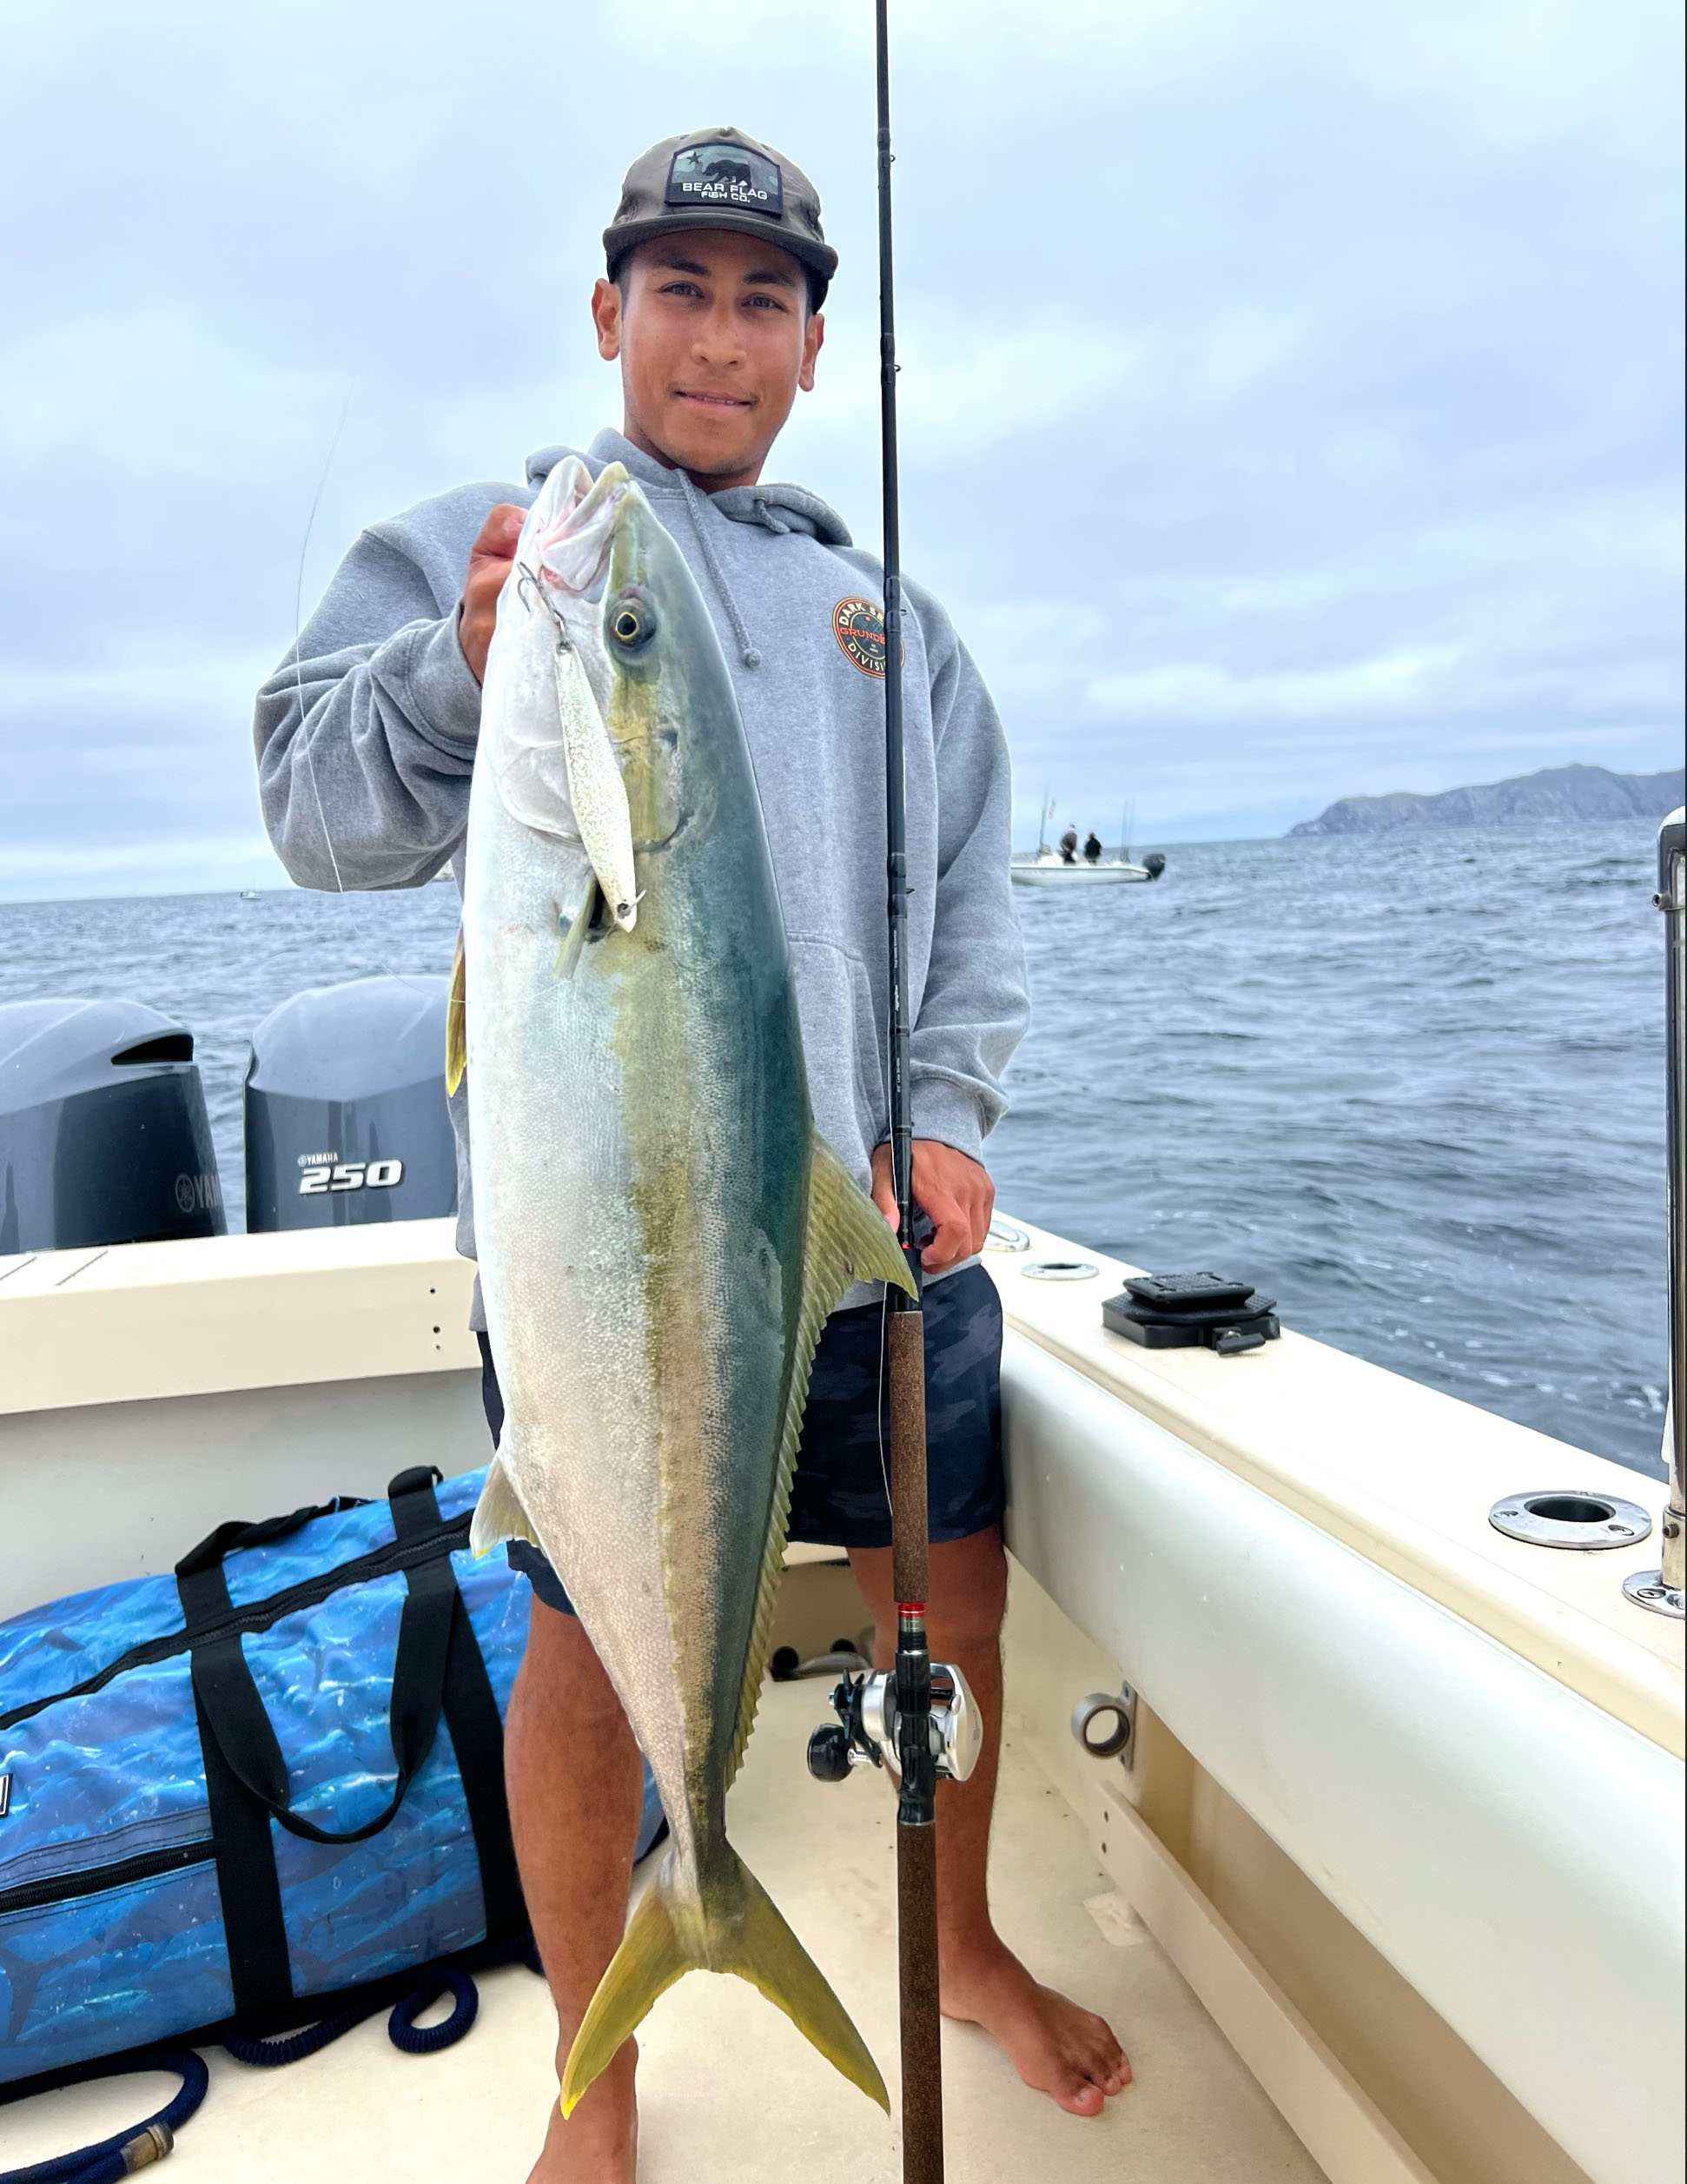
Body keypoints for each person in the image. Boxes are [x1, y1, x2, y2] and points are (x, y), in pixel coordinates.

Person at [254, 124, 1130, 2184]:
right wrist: (454, 665)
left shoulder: (878, 617)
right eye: (679, 290)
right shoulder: (510, 543)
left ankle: (958, 1945)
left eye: (762, 301)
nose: (716, 339)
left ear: (815, 348)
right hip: (599, 1236)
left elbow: (967, 896)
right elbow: (311, 810)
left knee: (959, 1593)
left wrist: (944, 1122)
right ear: (607, 314)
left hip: (857, 1230)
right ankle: (598, 2058)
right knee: (578, 1626)